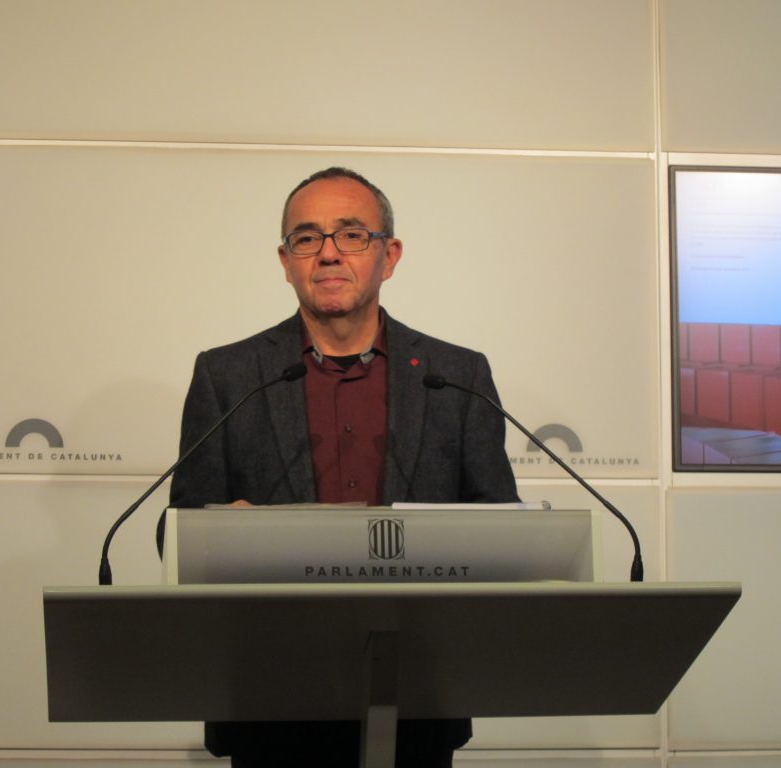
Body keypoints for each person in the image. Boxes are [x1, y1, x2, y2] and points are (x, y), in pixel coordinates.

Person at [166, 167, 519, 767]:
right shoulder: (227, 376)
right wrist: (221, 533)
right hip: (269, 698)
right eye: (307, 238)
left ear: (390, 255)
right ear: (286, 262)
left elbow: (504, 529)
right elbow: (175, 531)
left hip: (419, 698)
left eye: (352, 234)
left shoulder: (457, 376)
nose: (328, 253)